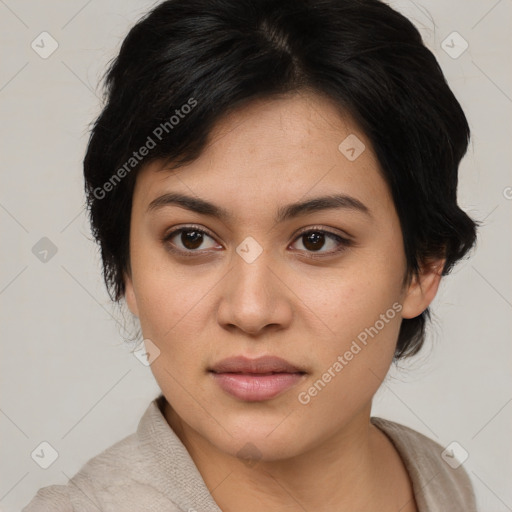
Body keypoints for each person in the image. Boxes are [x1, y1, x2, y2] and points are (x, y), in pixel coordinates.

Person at [23, 0, 479, 510]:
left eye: (316, 240)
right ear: (126, 267)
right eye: (191, 238)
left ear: (422, 266)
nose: (250, 310)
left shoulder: (438, 479)